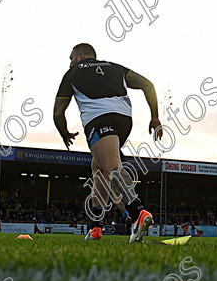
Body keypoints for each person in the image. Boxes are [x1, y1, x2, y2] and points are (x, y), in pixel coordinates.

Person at [53, 42, 162, 243]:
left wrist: (64, 133)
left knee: (112, 167)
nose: (70, 62)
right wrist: (155, 117)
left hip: (99, 120)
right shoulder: (116, 68)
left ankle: (138, 213)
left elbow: (58, 112)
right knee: (98, 168)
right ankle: (96, 227)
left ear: (81, 56)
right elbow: (148, 85)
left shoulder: (72, 74)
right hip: (123, 121)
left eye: (71, 58)